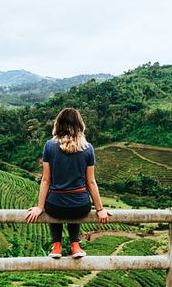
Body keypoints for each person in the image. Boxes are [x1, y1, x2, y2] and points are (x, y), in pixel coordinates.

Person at [25, 107, 111, 259]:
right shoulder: (88, 148)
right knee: (73, 202)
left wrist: (40, 207)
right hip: (80, 207)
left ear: (58, 124)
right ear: (80, 125)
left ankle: (56, 246)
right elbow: (91, 183)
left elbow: (45, 180)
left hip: (55, 207)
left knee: (57, 202)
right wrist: (100, 209)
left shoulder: (49, 146)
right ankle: (75, 245)